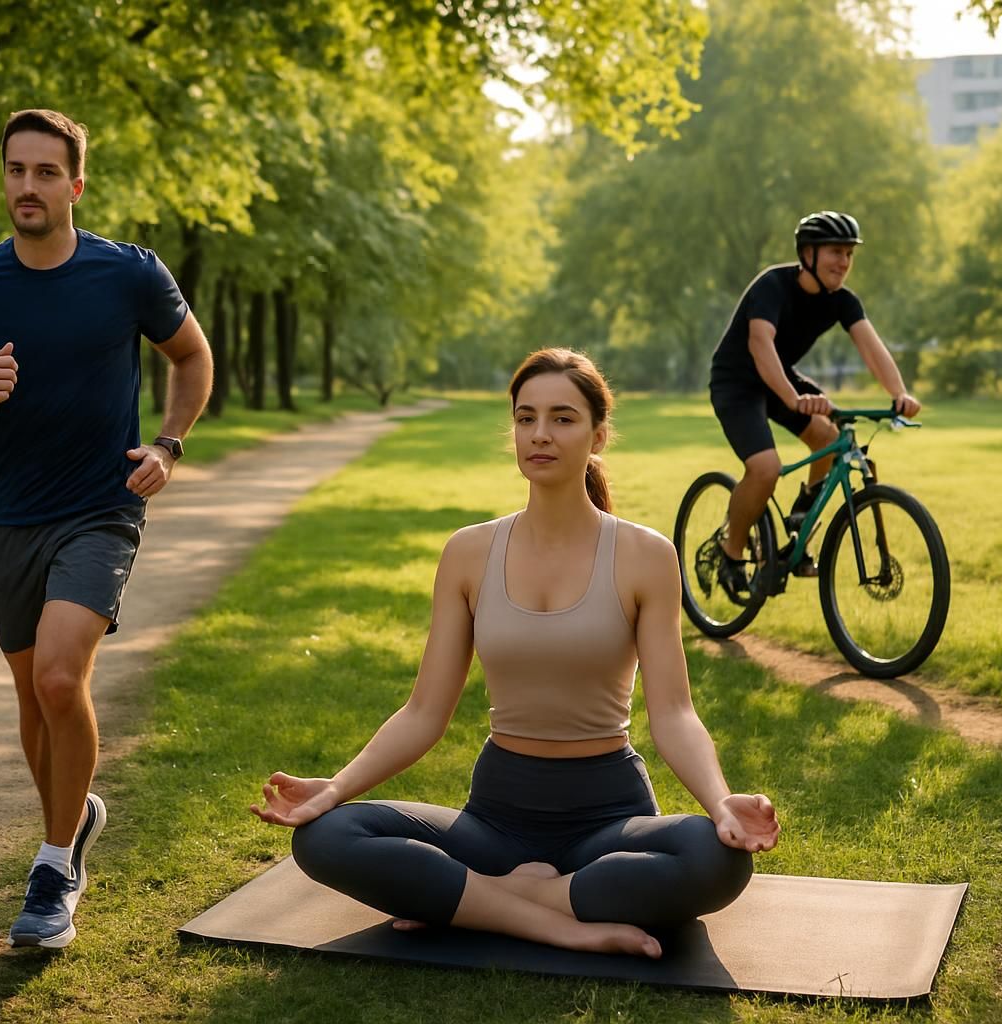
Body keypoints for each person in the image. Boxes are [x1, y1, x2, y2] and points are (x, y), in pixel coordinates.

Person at [250, 348, 778, 958]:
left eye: (562, 418)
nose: (540, 435)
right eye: (526, 418)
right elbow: (424, 712)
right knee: (326, 836)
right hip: (496, 820)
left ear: (598, 434)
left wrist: (721, 805)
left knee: (718, 859)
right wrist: (334, 789)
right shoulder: (469, 554)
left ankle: (479, 903)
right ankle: (552, 919)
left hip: (608, 819)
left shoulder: (644, 555)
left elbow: (675, 714)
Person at [0, 108, 213, 948]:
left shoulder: (129, 274)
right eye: (16, 170)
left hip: (101, 508)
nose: (28, 186)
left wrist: (168, 443)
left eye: (47, 172)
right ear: (3, 178)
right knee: (32, 703)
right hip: (9, 516)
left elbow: (192, 356)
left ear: (75, 185)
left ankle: (52, 869)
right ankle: (73, 821)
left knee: (56, 677)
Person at [708, 211, 922, 601]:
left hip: (780, 378)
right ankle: (731, 553)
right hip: (737, 381)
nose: (843, 262)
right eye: (835, 252)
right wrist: (793, 398)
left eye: (848, 254)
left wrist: (899, 394)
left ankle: (799, 520)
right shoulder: (773, 285)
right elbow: (760, 344)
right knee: (766, 468)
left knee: (829, 436)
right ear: (808, 253)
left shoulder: (841, 301)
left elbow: (871, 347)